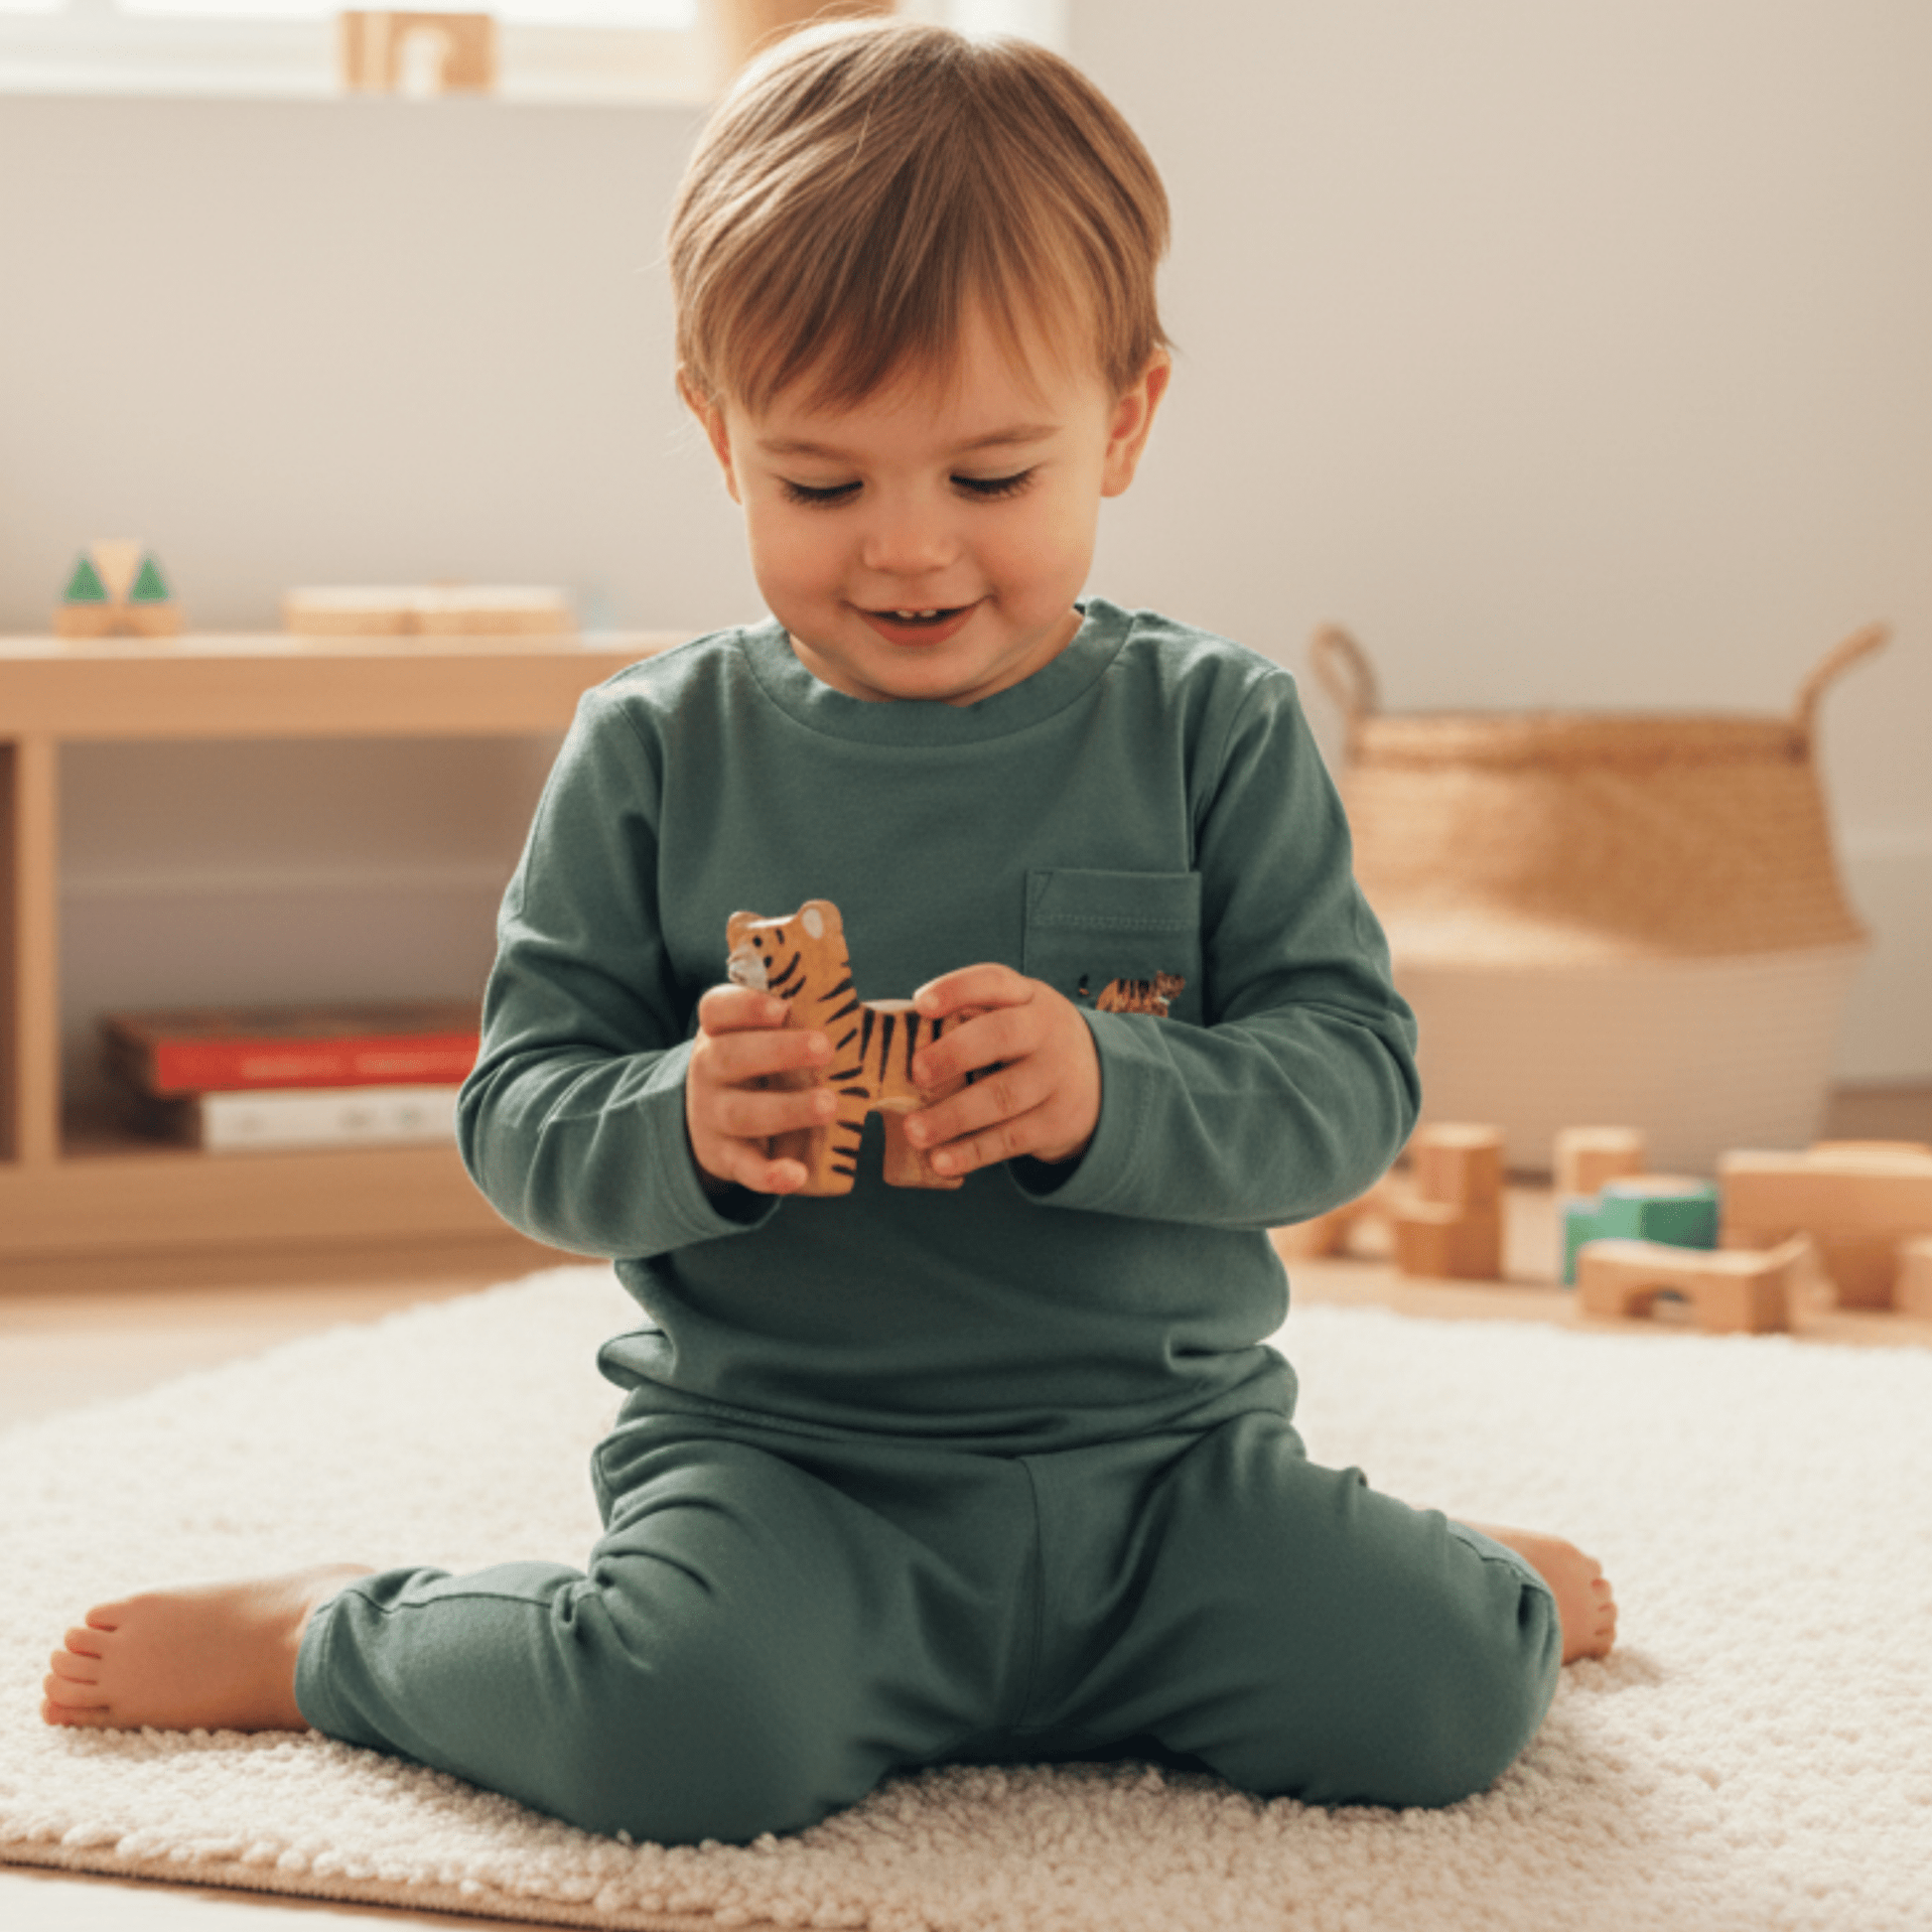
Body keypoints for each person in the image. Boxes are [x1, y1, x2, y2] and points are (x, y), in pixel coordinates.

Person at [42, 20, 1615, 1843]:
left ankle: (1434, 1573)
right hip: (788, 1473)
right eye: (822, 483)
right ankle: (332, 1633)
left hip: (1165, 1469)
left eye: (990, 478)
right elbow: (516, 1114)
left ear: (1125, 419)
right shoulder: (650, 749)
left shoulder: (1217, 727)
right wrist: (683, 1126)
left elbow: (1348, 1085)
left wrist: (1110, 1082)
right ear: (717, 438)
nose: (907, 549)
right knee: (682, 1736)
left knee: (1428, 1692)